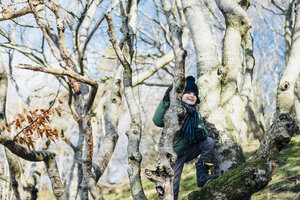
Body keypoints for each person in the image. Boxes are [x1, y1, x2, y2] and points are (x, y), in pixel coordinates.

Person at [152, 76, 218, 200]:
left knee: (208, 141)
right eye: (188, 93)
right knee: (174, 183)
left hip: (188, 149)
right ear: (180, 95)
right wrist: (166, 99)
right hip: (174, 153)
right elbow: (157, 121)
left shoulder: (195, 114)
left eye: (194, 94)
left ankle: (202, 174)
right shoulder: (174, 108)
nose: (191, 96)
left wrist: (201, 133)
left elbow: (202, 128)